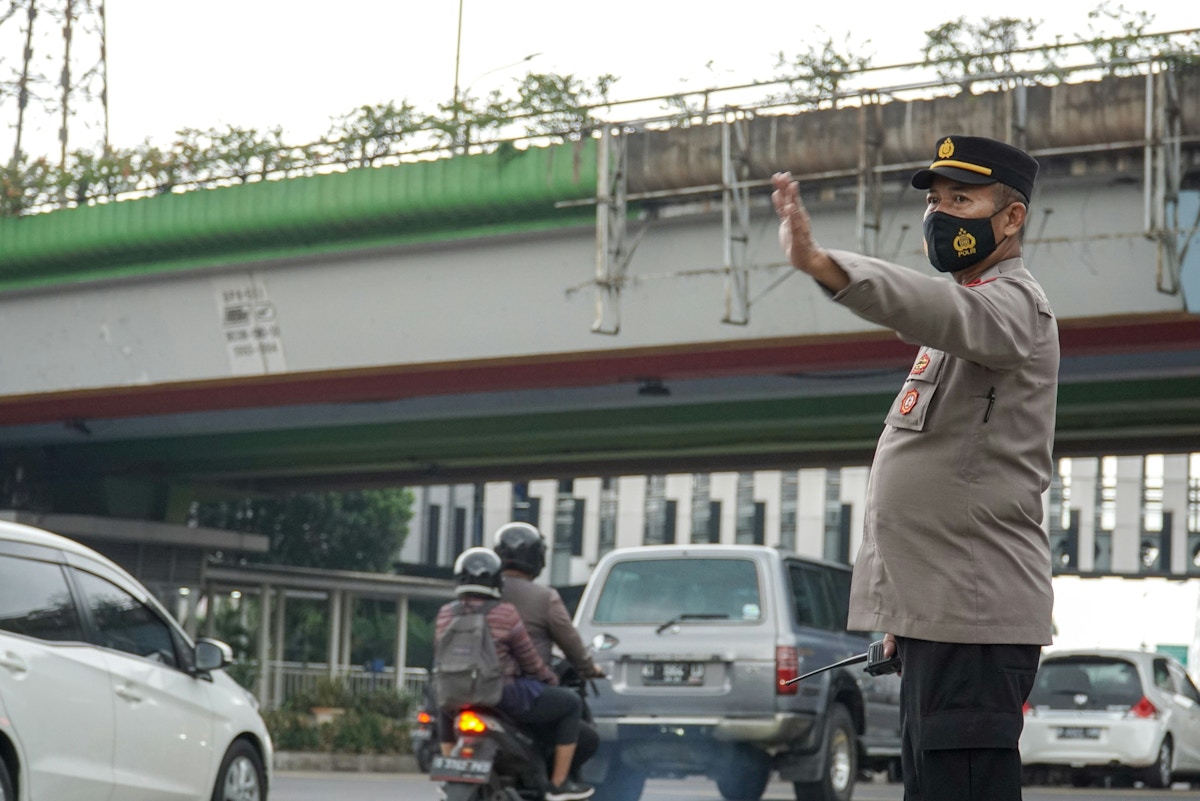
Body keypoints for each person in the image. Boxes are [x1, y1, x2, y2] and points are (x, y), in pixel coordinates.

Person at [772, 134, 1059, 801]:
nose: (942, 214)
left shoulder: (1014, 307)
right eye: (936, 199)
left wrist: (824, 264)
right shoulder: (970, 315)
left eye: (963, 198)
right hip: (941, 618)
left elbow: (929, 302)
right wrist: (902, 611)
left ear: (1011, 217)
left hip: (975, 620)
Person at [434, 547, 595, 801]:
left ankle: (449, 772)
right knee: (571, 704)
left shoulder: (445, 614)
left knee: (443, 704)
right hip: (502, 694)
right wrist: (550, 681)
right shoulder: (505, 612)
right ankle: (559, 784)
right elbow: (530, 661)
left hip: (455, 692)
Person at [492, 522, 604, 779]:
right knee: (575, 715)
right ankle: (557, 784)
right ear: (537, 559)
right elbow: (571, 643)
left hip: (476, 687)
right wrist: (589, 668)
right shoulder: (545, 597)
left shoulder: (483, 595)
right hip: (523, 693)